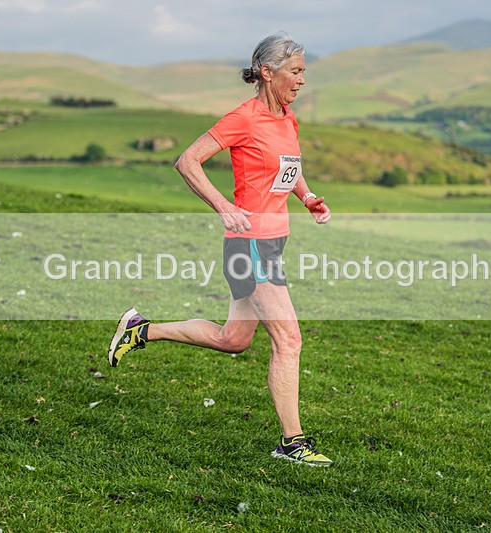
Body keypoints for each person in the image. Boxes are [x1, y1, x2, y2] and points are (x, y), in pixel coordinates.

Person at [107, 31, 332, 467]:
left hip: (273, 241)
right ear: (267, 73)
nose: (303, 80)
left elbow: (290, 166)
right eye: (296, 71)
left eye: (304, 71)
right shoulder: (243, 118)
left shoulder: (287, 117)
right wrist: (224, 206)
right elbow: (187, 161)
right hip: (248, 244)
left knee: (233, 340)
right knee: (289, 339)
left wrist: (307, 198)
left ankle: (140, 328)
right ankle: (293, 442)